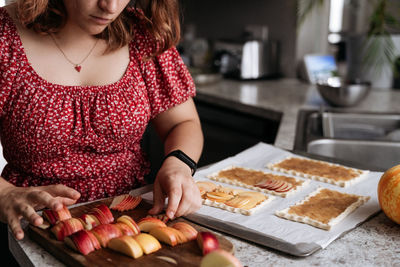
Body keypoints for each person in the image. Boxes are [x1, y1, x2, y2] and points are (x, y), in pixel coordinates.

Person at [0, 0, 203, 261]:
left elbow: (182, 122)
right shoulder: (5, 36)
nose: (110, 6)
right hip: (33, 225)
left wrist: (178, 164)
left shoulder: (142, 32)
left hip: (130, 221)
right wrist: (4, 193)